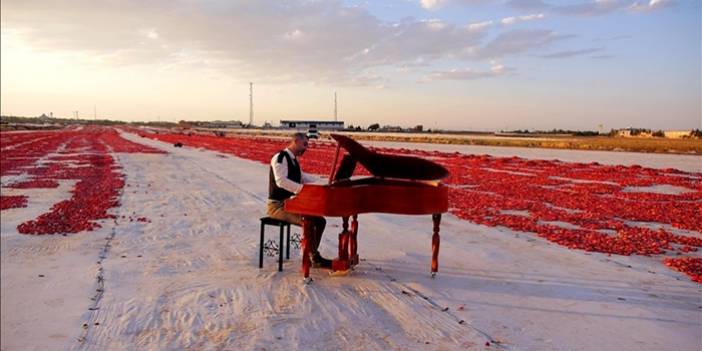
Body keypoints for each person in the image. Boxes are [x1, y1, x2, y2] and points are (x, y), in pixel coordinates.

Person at [267, 132, 331, 268]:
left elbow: (304, 178)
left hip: (290, 204)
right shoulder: (280, 157)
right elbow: (281, 181)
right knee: (308, 221)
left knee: (320, 221)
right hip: (277, 206)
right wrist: (302, 190)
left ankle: (312, 254)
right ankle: (314, 257)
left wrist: (324, 182)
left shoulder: (294, 161)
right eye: (304, 144)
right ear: (295, 141)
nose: (306, 148)